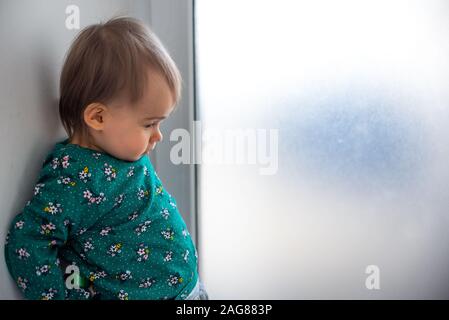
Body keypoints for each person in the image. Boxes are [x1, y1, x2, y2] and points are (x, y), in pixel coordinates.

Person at [4, 16, 208, 300]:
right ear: (98, 117)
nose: (158, 135)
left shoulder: (120, 149)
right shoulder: (74, 179)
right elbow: (28, 241)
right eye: (149, 124)